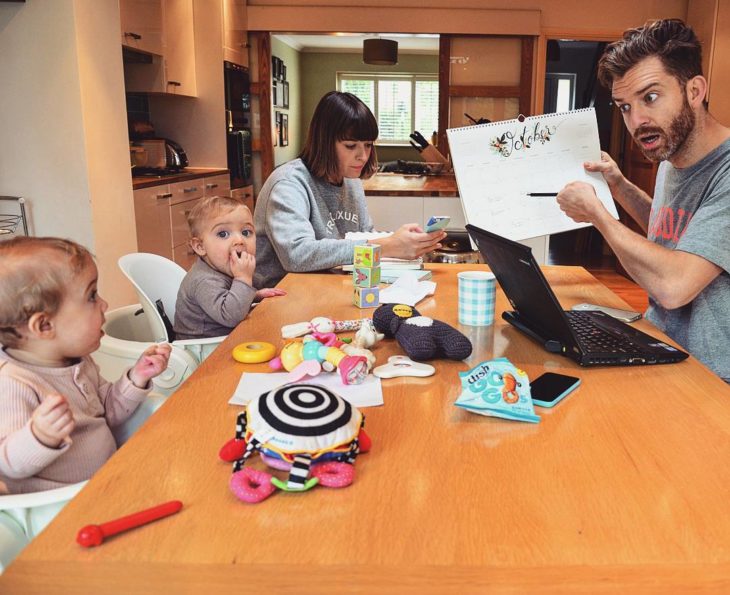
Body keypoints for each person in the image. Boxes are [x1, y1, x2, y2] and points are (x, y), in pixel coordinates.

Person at [556, 19, 730, 382]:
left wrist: (598, 215)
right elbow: (676, 232)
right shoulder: (673, 153)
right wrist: (619, 186)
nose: (637, 121)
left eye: (650, 97)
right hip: (664, 349)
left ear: (695, 90)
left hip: (712, 381)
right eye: (624, 107)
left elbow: (674, 286)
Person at [0, 237, 172, 494]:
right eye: (92, 295)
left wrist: (135, 379)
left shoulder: (78, 361)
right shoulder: (13, 383)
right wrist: (39, 436)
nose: (104, 304)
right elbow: (8, 465)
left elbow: (106, 413)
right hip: (62, 509)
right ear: (45, 326)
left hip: (105, 482)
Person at [253, 91, 446, 288]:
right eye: (351, 145)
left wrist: (400, 243)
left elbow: (364, 237)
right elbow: (297, 254)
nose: (363, 156)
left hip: (331, 287)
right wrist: (386, 245)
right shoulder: (288, 184)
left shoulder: (351, 181)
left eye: (368, 145)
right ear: (324, 142)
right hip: (282, 296)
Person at [174, 195, 285, 340]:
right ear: (200, 247)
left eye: (246, 232)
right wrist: (243, 278)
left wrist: (254, 295)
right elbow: (231, 316)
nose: (239, 240)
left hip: (227, 338)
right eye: (223, 234)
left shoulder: (221, 266)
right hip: (205, 351)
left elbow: (226, 299)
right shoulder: (204, 281)